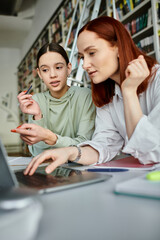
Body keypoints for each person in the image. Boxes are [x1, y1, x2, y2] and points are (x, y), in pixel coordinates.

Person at [24, 16, 160, 176]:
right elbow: (104, 145)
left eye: (92, 53)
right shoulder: (107, 95)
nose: (85, 65)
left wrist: (129, 92)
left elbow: (151, 152)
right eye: (82, 56)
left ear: (117, 47)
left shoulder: (156, 81)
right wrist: (70, 152)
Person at [11, 42, 96, 156]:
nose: (52, 75)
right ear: (40, 74)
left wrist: (50, 137)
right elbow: (37, 152)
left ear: (69, 68)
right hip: (47, 169)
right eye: (45, 70)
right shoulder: (36, 101)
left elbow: (85, 146)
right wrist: (38, 116)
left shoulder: (85, 96)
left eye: (58, 67)